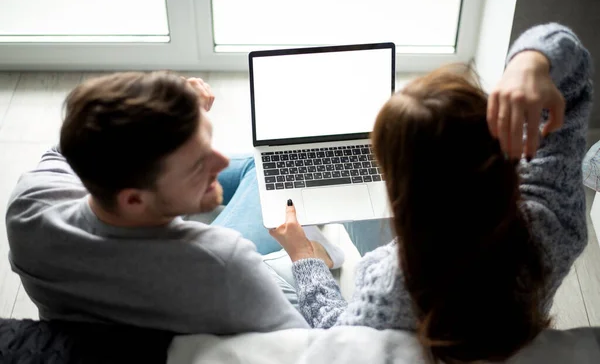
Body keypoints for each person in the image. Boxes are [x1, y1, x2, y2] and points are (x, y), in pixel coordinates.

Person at [269, 23, 593, 363]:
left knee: (272, 275)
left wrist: (304, 258)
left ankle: (315, 253)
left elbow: (337, 336)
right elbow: (571, 87)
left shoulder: (390, 284)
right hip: (508, 321)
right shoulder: (550, 219)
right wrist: (528, 63)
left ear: (403, 198)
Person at [6, 72, 314, 334]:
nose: (220, 161)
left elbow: (84, 132)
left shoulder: (29, 206)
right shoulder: (221, 262)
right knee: (260, 171)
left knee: (255, 165)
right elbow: (304, 343)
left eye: (208, 140)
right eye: (197, 164)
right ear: (134, 199)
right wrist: (305, 262)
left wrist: (167, 108)